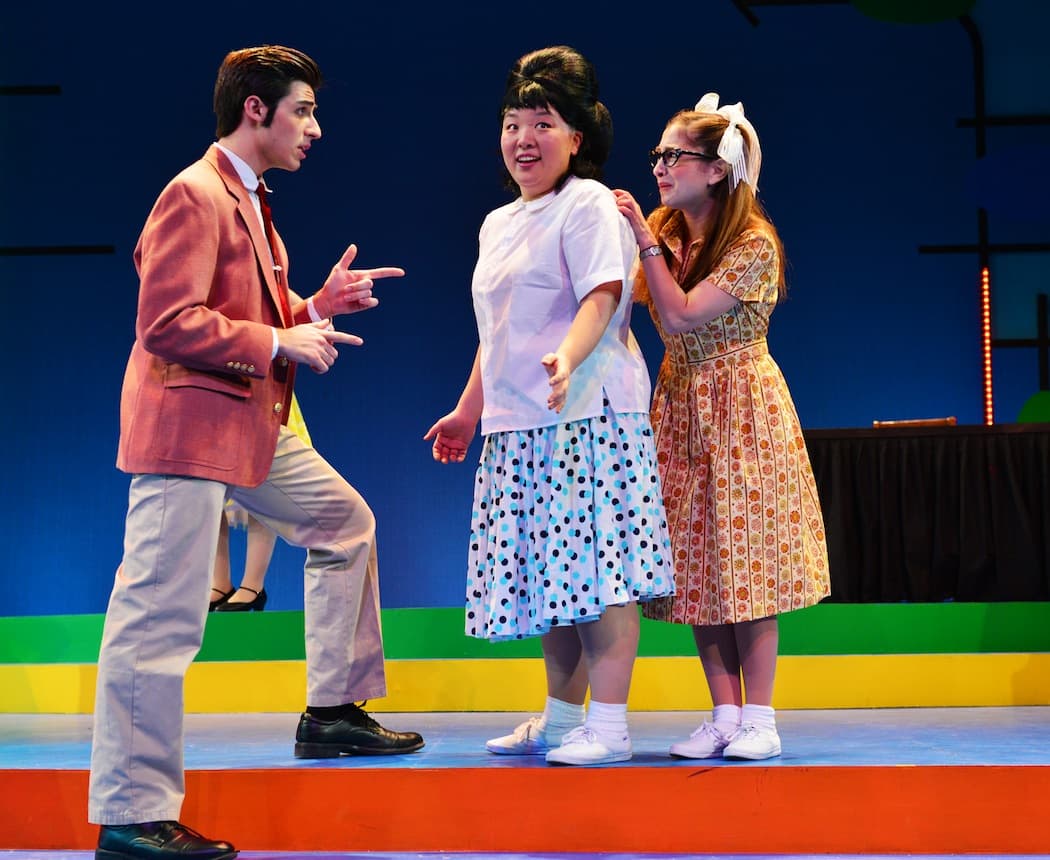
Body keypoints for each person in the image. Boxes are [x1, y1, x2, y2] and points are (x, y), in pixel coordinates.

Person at [89, 45, 423, 860]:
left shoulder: (248, 197)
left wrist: (313, 304)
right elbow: (165, 323)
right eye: (303, 110)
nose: (315, 126)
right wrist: (281, 336)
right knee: (157, 620)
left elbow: (240, 313)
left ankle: (331, 712)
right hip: (189, 429)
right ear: (255, 111)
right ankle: (131, 815)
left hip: (244, 424)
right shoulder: (194, 193)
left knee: (345, 524)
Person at [425, 45, 674, 767]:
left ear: (577, 137)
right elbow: (495, 333)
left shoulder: (588, 202)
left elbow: (604, 293)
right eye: (512, 124)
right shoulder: (497, 222)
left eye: (542, 123)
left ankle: (613, 725)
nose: (523, 139)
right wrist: (469, 411)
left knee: (600, 574)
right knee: (550, 577)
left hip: (587, 415)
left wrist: (566, 359)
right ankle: (565, 720)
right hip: (519, 422)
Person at [613, 94, 830, 761]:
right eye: (657, 154)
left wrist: (644, 239)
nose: (660, 166)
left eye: (673, 154)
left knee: (748, 564)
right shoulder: (670, 232)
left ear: (715, 170)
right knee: (698, 568)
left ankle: (761, 716)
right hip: (681, 406)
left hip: (741, 407)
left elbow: (679, 316)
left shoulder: (751, 244)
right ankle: (724, 712)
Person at [210, 393, 312, 612]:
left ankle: (253, 585)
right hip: (212, 389)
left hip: (261, 390)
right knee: (210, 480)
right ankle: (220, 583)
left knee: (261, 478)